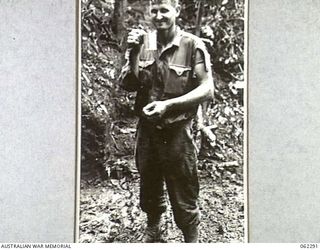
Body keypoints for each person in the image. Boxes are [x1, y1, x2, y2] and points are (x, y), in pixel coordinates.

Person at [120, 0, 214, 243]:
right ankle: (154, 228)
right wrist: (131, 53)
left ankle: (191, 239)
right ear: (148, 12)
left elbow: (207, 90)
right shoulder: (144, 42)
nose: (159, 16)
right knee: (149, 182)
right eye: (154, 10)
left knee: (184, 187)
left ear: (177, 12)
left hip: (178, 131)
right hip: (148, 130)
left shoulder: (192, 45)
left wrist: (169, 105)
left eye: (165, 10)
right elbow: (129, 84)